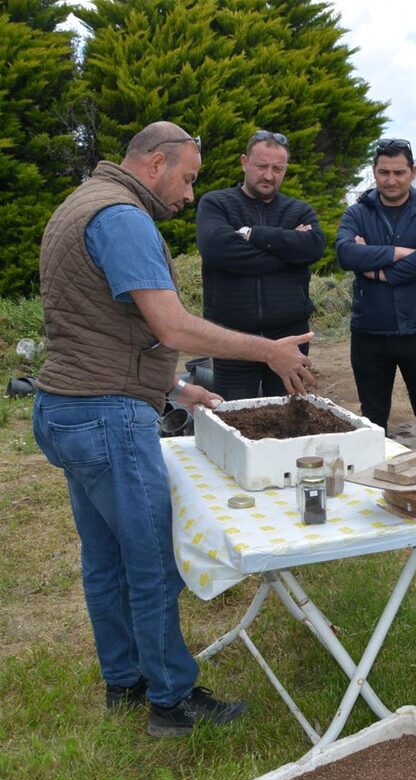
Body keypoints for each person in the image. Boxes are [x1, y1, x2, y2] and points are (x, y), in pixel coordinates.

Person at [32, 121, 314, 737]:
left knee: (106, 558)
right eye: (187, 178)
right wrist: (269, 350)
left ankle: (125, 682)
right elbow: (171, 326)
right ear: (155, 162)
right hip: (107, 414)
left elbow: (96, 324)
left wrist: (178, 389)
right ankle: (171, 699)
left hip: (67, 407)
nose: (189, 196)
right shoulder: (122, 217)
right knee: (154, 559)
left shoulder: (81, 204)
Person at [335, 138, 416, 446]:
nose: (391, 180)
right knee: (372, 418)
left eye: (399, 172)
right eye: (384, 172)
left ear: (412, 172)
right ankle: (375, 488)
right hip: (370, 332)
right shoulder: (358, 212)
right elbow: (346, 254)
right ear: (374, 172)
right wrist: (400, 252)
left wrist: (375, 269)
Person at [196, 129, 326, 399]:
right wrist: (288, 255)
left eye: (278, 168)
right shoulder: (216, 203)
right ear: (245, 162)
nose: (269, 175)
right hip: (232, 338)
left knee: (289, 416)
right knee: (237, 420)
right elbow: (218, 249)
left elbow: (313, 247)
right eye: (262, 166)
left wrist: (253, 235)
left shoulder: (298, 210)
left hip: (290, 336)